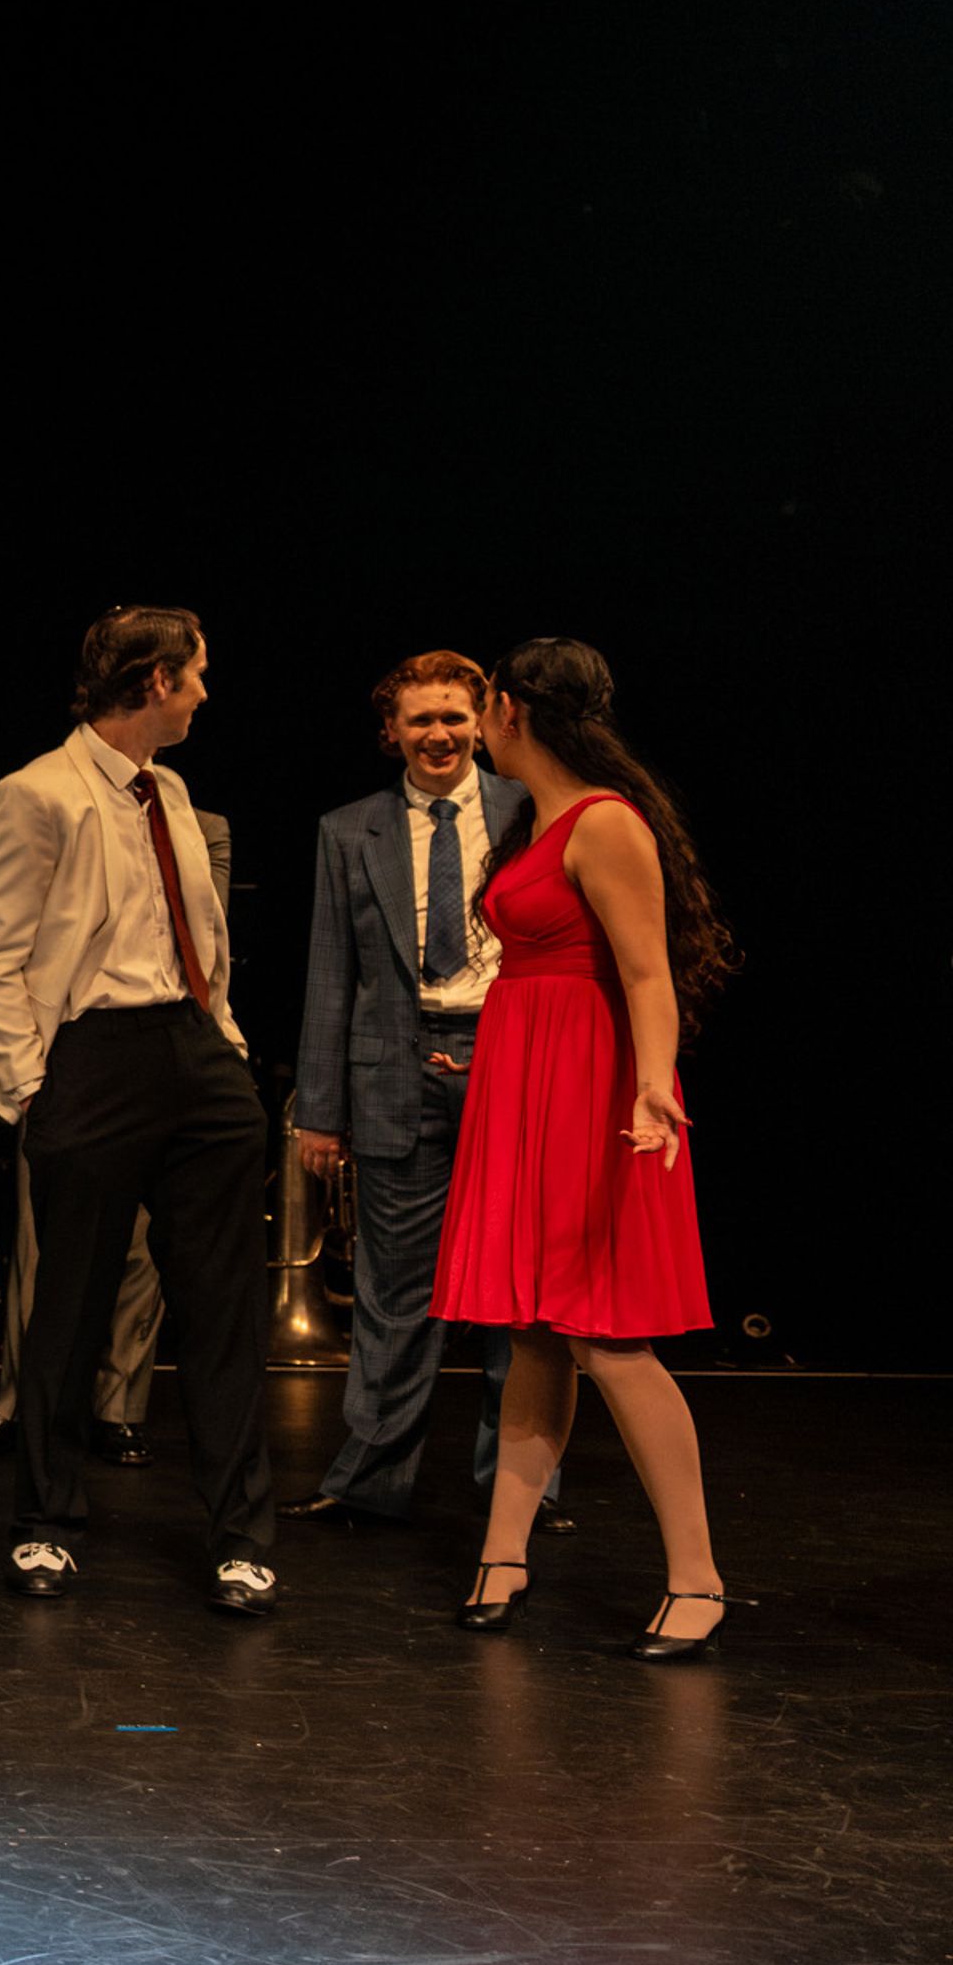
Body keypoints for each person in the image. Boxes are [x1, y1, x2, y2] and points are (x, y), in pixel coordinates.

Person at [0, 606, 280, 1616]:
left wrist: (222, 1037)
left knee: (225, 1312)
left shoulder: (171, 791)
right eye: (194, 675)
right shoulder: (36, 792)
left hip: (194, 1052)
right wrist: (32, 1089)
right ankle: (46, 1527)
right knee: (71, 1307)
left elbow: (195, 928)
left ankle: (241, 1541)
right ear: (154, 681)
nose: (202, 692)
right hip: (91, 1064)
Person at [434, 637, 731, 1658]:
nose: (476, 730)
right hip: (524, 1076)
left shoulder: (605, 824)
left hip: (591, 1086)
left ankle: (698, 1577)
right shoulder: (534, 819)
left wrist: (653, 1086)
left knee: (608, 1335)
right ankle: (503, 1552)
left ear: (512, 710)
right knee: (532, 1329)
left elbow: (648, 975)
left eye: (483, 709)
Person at [285, 652, 556, 1530]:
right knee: (394, 1291)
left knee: (520, 1292)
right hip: (396, 1073)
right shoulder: (348, 828)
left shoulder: (533, 809)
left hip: (510, 1061)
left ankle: (521, 1488)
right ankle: (369, 1481)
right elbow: (332, 975)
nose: (437, 734)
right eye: (419, 720)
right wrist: (319, 1111)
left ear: (483, 721)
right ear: (391, 731)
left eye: (452, 717)